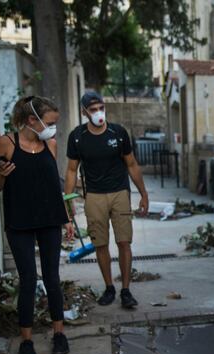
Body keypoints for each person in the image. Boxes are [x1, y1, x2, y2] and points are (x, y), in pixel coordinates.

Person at [0, 96, 74, 354]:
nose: (53, 129)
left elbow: (54, 186)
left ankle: (59, 334)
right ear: (31, 120)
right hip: (19, 221)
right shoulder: (6, 143)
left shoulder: (50, 143)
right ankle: (26, 340)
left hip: (50, 218)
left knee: (52, 276)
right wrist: (1, 175)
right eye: (49, 123)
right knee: (28, 279)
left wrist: (67, 218)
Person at [64, 90, 148, 309]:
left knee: (124, 242)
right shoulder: (77, 136)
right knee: (100, 243)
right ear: (84, 112)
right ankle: (109, 287)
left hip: (120, 192)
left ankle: (126, 290)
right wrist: (68, 200)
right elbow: (72, 170)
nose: (98, 113)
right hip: (93, 196)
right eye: (93, 110)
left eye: (101, 108)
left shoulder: (118, 132)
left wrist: (143, 194)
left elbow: (131, 164)